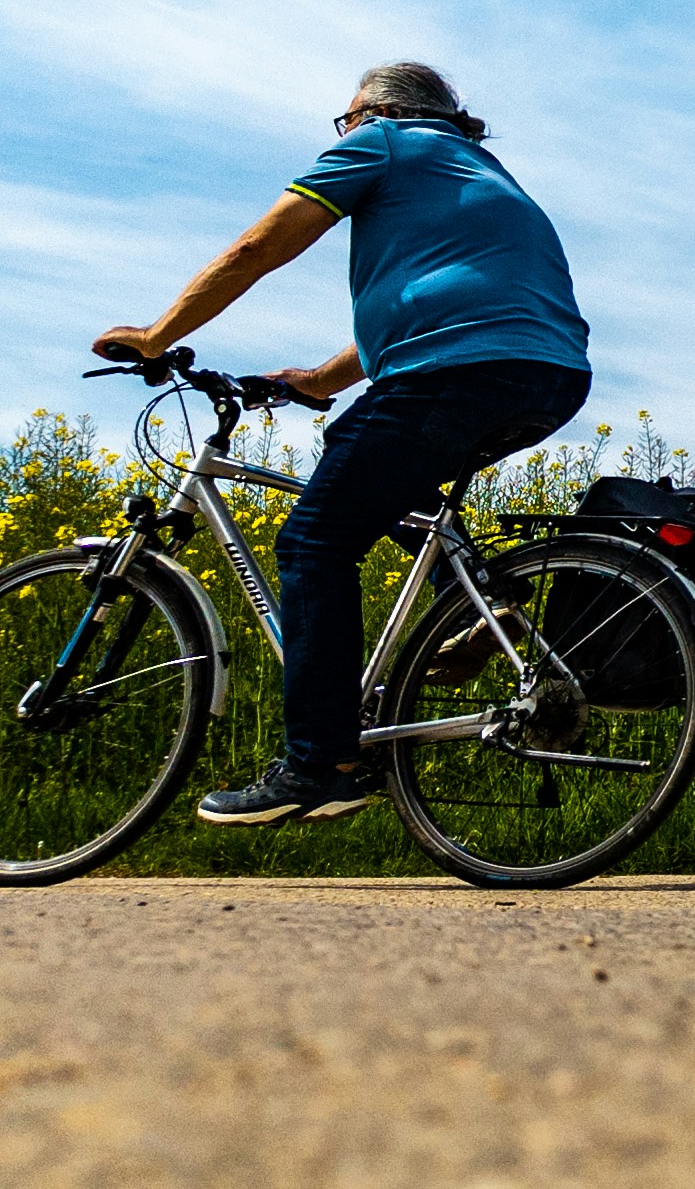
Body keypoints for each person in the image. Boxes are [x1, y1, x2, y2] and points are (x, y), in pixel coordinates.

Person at [91, 62, 591, 825]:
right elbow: (443, 300)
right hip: (546, 372)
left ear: (379, 110)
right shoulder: (479, 173)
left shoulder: (384, 141)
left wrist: (159, 336)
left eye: (345, 117)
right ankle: (483, 609)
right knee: (375, 468)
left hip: (458, 371)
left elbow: (259, 246)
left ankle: (320, 763)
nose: (344, 130)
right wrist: (322, 380)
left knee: (315, 543)